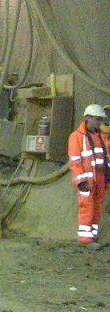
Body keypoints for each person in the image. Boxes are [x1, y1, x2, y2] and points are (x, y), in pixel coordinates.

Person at [68, 104, 109, 247]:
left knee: (97, 207)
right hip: (87, 180)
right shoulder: (76, 137)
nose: (98, 123)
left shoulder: (102, 137)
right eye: (96, 119)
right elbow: (75, 162)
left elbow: (106, 158)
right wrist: (81, 180)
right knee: (87, 208)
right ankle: (85, 239)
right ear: (87, 118)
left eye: (100, 120)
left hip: (100, 179)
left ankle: (92, 236)